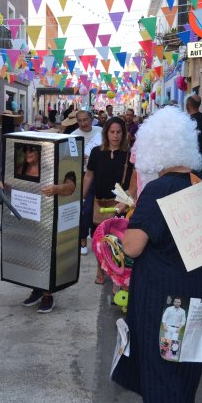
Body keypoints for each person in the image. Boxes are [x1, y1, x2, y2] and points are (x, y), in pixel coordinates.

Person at [114, 106, 202, 403]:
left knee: (161, 367)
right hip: (198, 293)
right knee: (186, 363)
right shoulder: (197, 181)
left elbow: (133, 246)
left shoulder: (158, 190)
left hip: (164, 300)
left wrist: (114, 234)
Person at [19, 144, 77, 314]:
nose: (28, 152)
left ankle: (47, 293)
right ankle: (37, 288)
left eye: (32, 149)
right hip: (28, 215)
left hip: (48, 216)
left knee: (46, 253)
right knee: (31, 253)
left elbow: (71, 187)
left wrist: (57, 188)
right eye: (26, 149)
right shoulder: (22, 168)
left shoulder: (55, 167)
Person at [83, 116, 136, 284]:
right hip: (100, 203)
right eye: (112, 132)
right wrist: (81, 197)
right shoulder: (96, 152)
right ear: (106, 133)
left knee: (118, 240)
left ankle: (117, 274)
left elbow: (135, 178)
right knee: (99, 239)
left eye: (119, 132)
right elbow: (89, 175)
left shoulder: (129, 154)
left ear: (124, 133)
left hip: (120, 203)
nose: (115, 136)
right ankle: (100, 269)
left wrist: (130, 199)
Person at [72, 110, 102, 255]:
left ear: (92, 119)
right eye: (80, 121)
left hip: (101, 174)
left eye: (85, 120)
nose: (83, 124)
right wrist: (79, 160)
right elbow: (70, 159)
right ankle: (82, 239)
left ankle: (99, 239)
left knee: (100, 208)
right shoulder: (73, 136)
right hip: (84, 174)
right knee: (86, 209)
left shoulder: (100, 131)